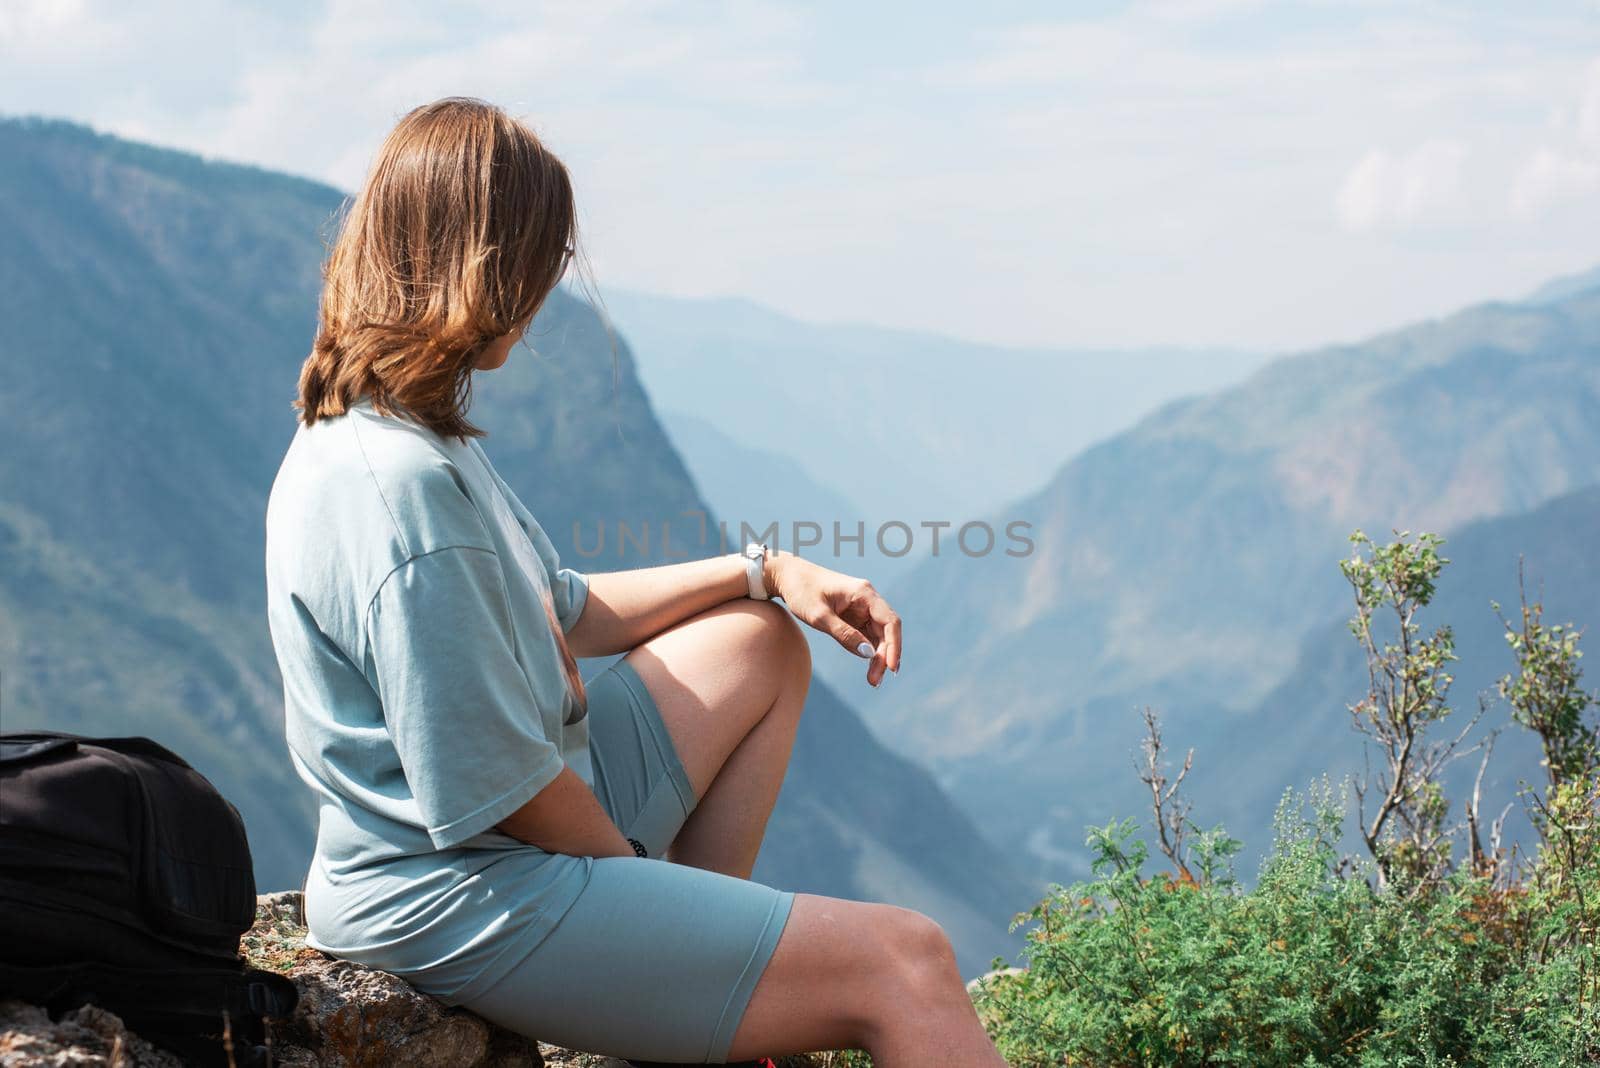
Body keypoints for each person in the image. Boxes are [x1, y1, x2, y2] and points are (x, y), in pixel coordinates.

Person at [264, 97, 1007, 1067]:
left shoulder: (401, 435)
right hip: (454, 889)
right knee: (906, 961)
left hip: (500, 825)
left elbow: (559, 608)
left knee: (758, 639)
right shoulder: (398, 491)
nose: (543, 299)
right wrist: (660, 905)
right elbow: (503, 790)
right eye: (542, 262)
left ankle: (693, 1017)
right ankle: (694, 1008)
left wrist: (767, 572)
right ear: (486, 268)